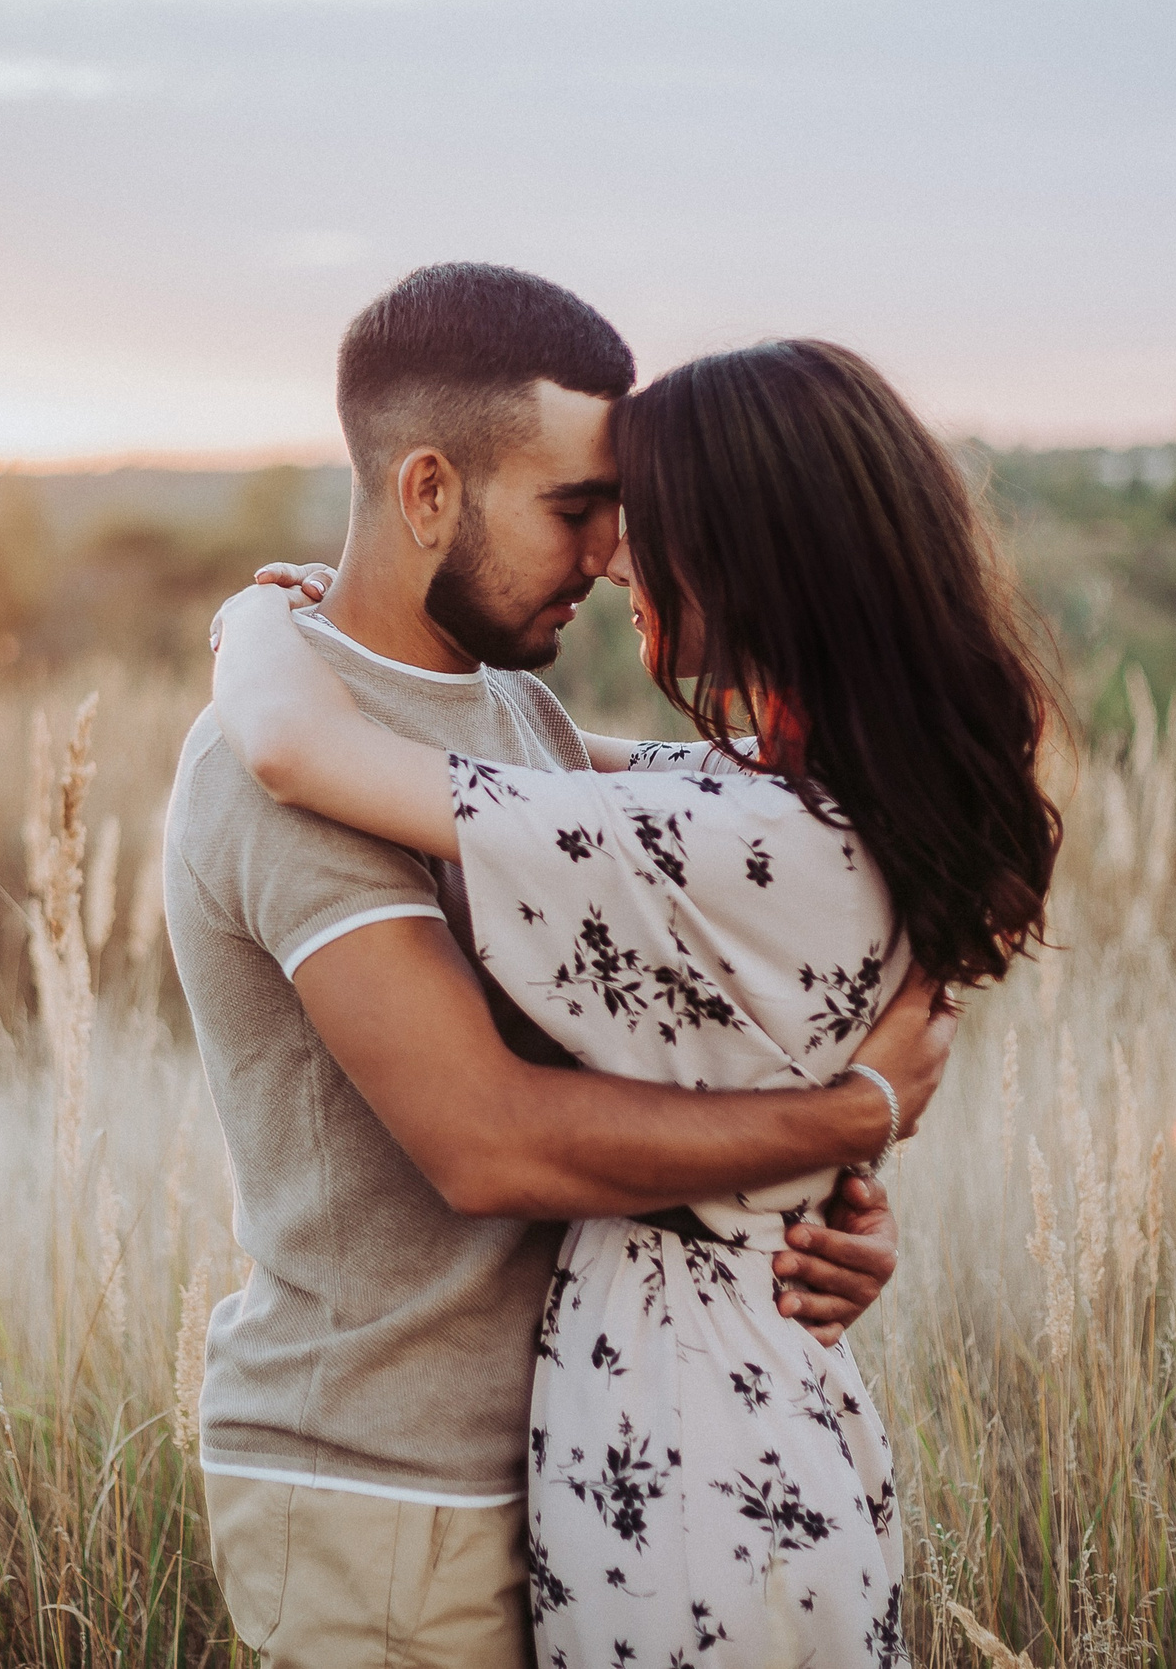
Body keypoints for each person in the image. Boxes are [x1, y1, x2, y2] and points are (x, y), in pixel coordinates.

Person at [210, 335, 1063, 1664]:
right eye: (581, 509)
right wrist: (836, 1139)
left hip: (686, 1450)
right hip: (651, 1429)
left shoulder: (733, 831)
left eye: (635, 518)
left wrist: (251, 619)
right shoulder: (789, 794)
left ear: (750, 556)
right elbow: (559, 775)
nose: (612, 558)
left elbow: (293, 742)